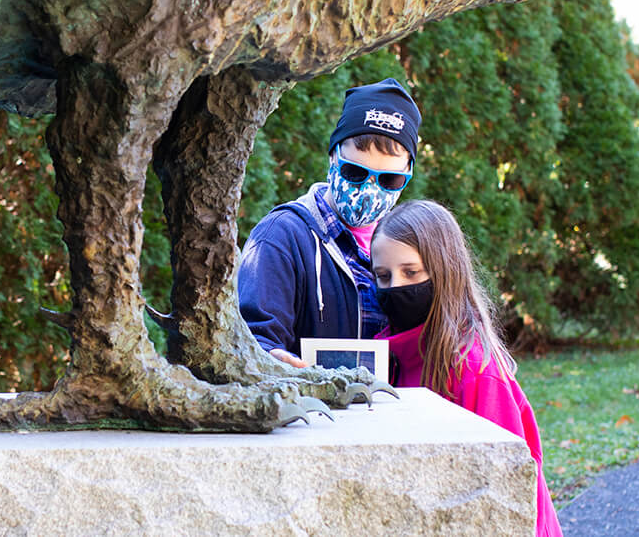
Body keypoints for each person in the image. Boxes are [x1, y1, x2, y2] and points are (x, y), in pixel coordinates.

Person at [371, 199, 562, 537]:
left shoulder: (474, 370)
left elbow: (503, 489)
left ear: (444, 271)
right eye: (383, 276)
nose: (394, 287)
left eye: (411, 272)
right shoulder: (385, 358)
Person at [237, 77, 420, 367]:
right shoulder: (282, 236)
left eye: (389, 179)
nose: (370, 190)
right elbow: (250, 338)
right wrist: (272, 359)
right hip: (314, 409)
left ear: (408, 174)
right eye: (355, 173)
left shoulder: (413, 246)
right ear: (333, 156)